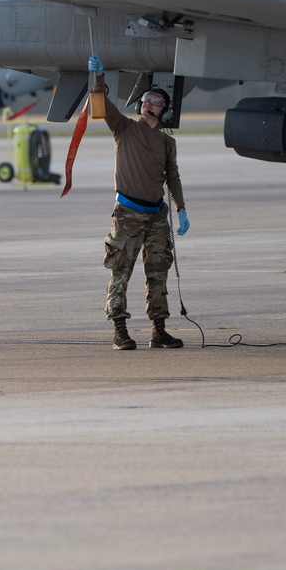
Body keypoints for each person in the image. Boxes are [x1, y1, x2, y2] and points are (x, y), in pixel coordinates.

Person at [88, 54, 190, 350]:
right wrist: (98, 78)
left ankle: (159, 330)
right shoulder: (124, 128)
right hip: (128, 213)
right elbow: (101, 106)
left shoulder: (167, 143)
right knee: (121, 271)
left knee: (158, 272)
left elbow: (173, 177)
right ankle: (120, 330)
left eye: (156, 100)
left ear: (164, 110)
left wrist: (181, 209)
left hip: (157, 215)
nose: (148, 102)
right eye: (146, 98)